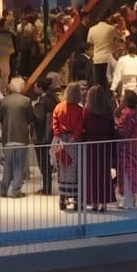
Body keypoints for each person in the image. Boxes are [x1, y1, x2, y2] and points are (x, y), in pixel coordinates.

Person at [81, 86, 119, 211]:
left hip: (91, 145)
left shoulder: (87, 111)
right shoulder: (108, 111)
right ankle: (104, 203)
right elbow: (111, 128)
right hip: (104, 145)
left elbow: (84, 127)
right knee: (104, 174)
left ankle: (94, 202)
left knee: (92, 175)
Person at [0, 77, 35, 197]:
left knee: (8, 164)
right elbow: (30, 119)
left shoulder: (4, 101)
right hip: (21, 137)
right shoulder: (26, 101)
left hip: (8, 136)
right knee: (19, 165)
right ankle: (16, 190)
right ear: (22, 86)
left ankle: (3, 190)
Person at [51, 82, 87, 211]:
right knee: (76, 170)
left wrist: (59, 138)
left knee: (63, 169)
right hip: (74, 142)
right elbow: (79, 127)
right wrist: (72, 139)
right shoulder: (79, 110)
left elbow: (55, 124)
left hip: (61, 140)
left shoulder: (59, 107)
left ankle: (62, 197)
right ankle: (76, 199)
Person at [114, 89, 137, 210]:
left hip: (125, 146)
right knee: (133, 171)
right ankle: (132, 198)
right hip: (134, 146)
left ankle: (127, 200)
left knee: (125, 173)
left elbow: (121, 130)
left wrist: (115, 121)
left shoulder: (126, 113)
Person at [87, 14, 117, 89]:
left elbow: (90, 42)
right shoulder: (111, 28)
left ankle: (98, 99)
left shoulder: (92, 29)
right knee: (108, 82)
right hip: (108, 58)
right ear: (106, 18)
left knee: (98, 83)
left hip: (97, 58)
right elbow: (117, 39)